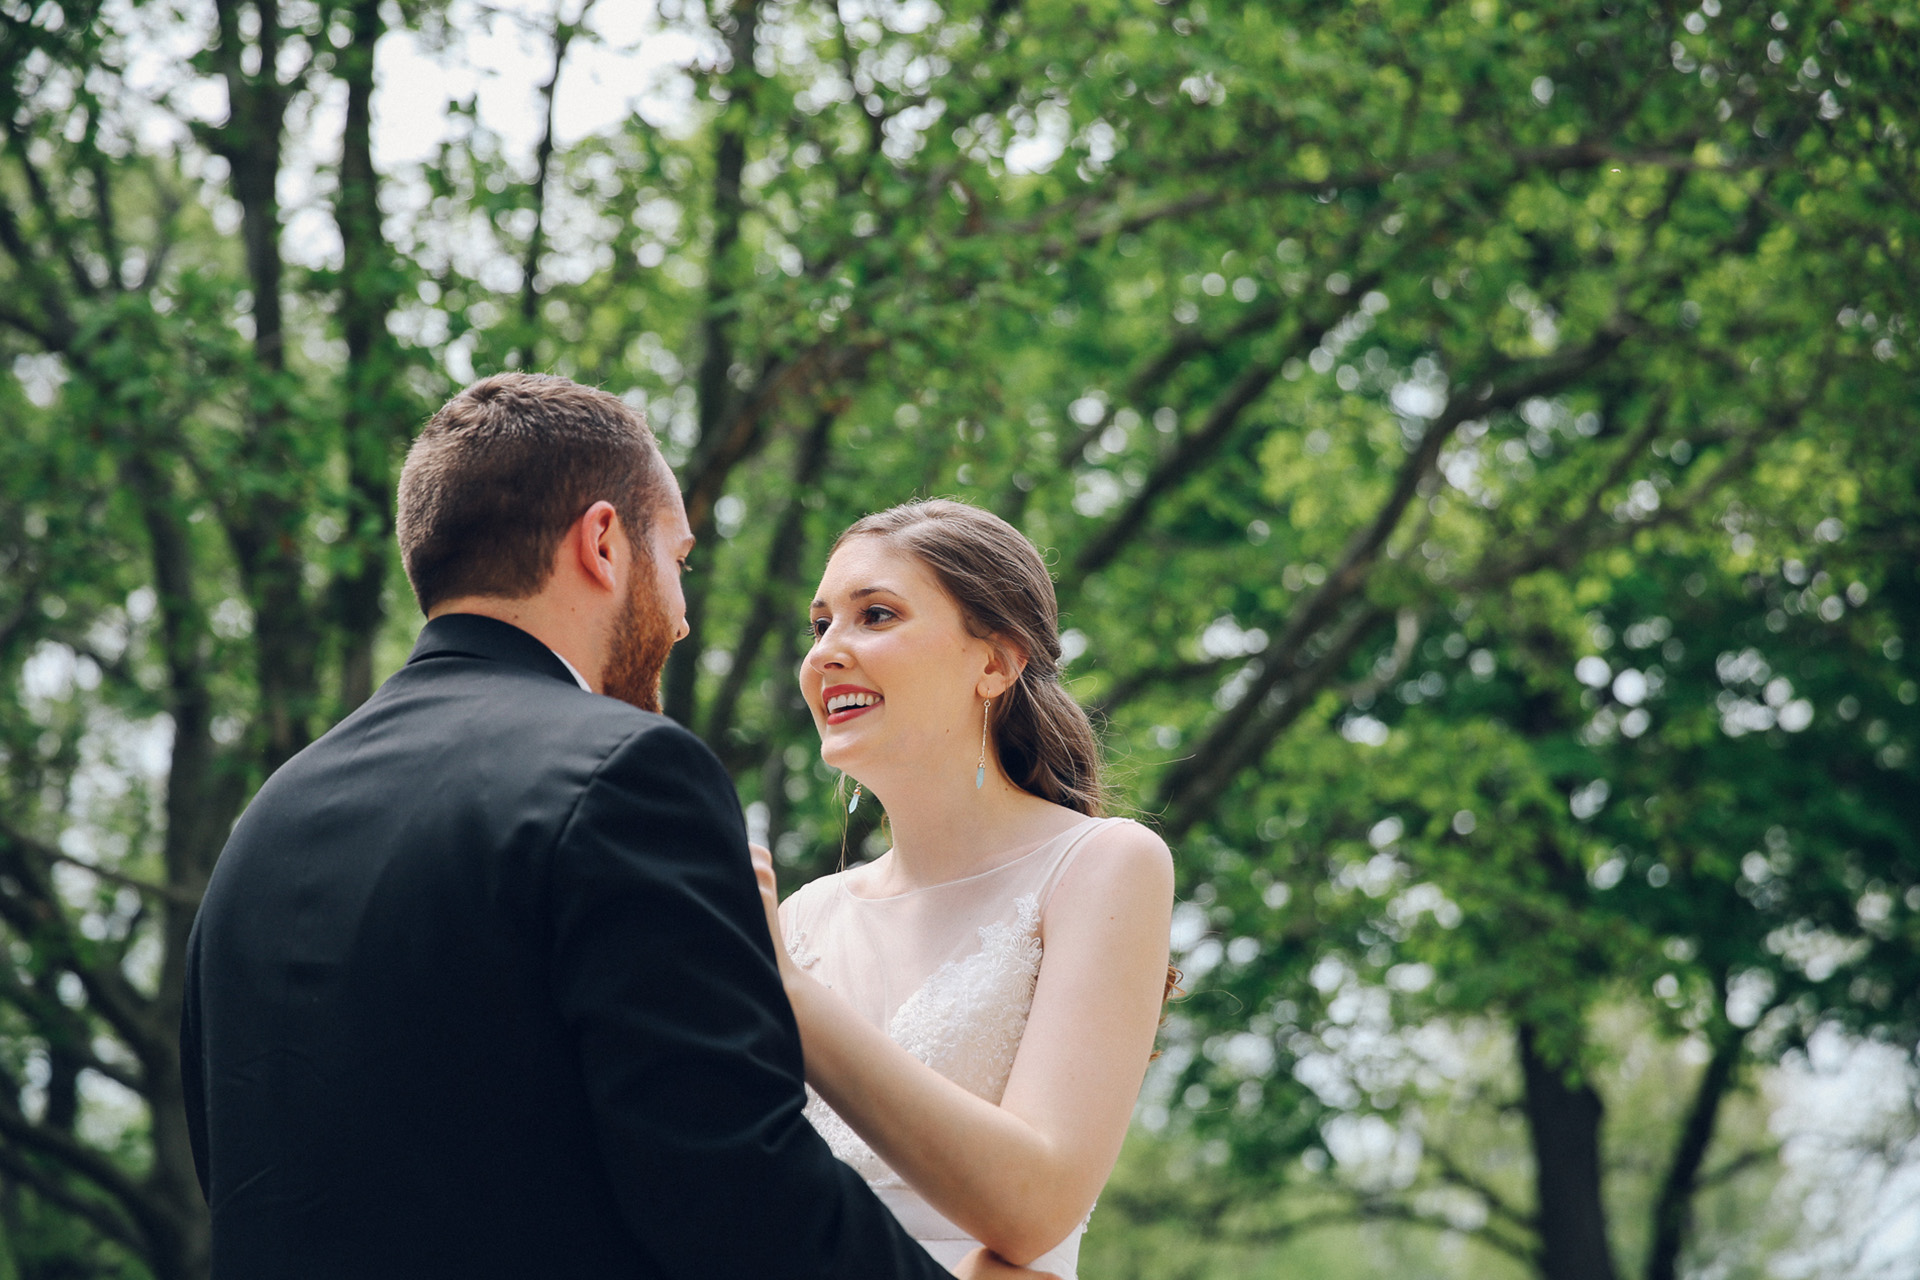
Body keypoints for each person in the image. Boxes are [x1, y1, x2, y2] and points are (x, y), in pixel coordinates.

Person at [179, 374, 1048, 1279]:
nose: (678, 619)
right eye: (675, 561)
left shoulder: (268, 825)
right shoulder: (626, 773)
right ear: (602, 542)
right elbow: (733, 1191)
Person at [755, 500, 1176, 1278]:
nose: (826, 654)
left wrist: (784, 988)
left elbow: (1033, 1203)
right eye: (821, 627)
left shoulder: (1105, 865)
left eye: (875, 615)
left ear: (995, 663)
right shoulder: (806, 914)